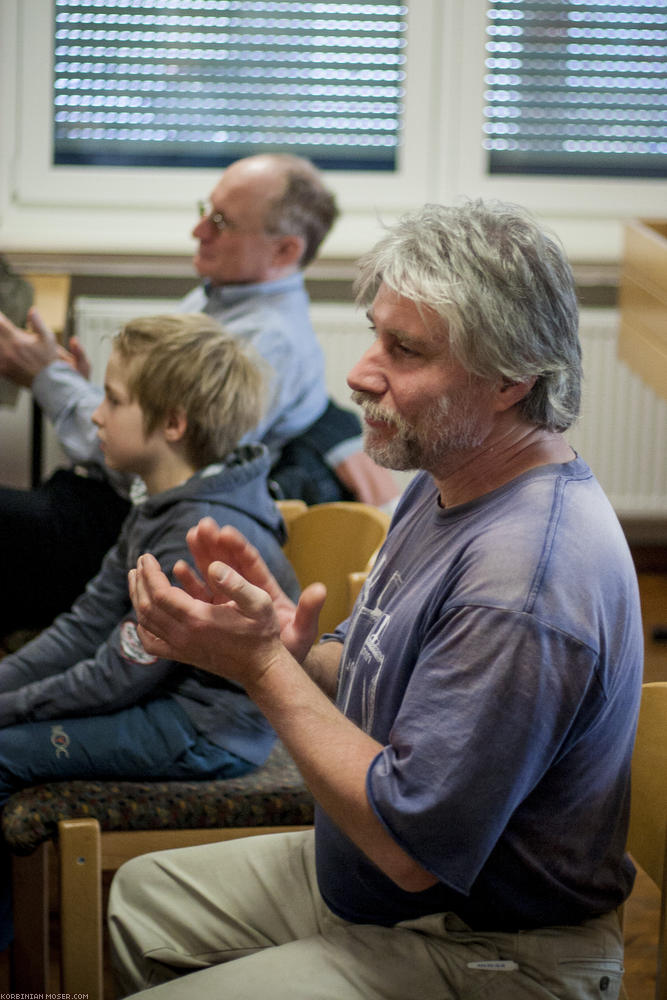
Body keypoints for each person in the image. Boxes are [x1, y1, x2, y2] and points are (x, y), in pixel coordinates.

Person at [109, 199, 643, 1000]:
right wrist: (288, 648)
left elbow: (409, 846)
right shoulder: (446, 481)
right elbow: (377, 674)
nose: (360, 371)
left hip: (492, 951)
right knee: (140, 900)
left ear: (510, 379)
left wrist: (260, 670)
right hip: (378, 899)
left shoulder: (525, 580)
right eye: (374, 333)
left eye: (405, 350)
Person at [0, 152, 397, 639]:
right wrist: (78, 386)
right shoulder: (221, 297)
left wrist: (48, 379)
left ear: (283, 251)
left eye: (222, 222)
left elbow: (159, 458)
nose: (199, 231)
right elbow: (144, 420)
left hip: (139, 524)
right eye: (205, 210)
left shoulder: (264, 342)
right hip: (115, 500)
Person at [0, 312, 299, 951]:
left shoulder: (197, 534)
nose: (97, 417)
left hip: (206, 732)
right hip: (163, 704)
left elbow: (115, 675)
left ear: (172, 424)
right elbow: (82, 628)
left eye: (112, 400)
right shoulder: (157, 502)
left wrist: (5, 710)